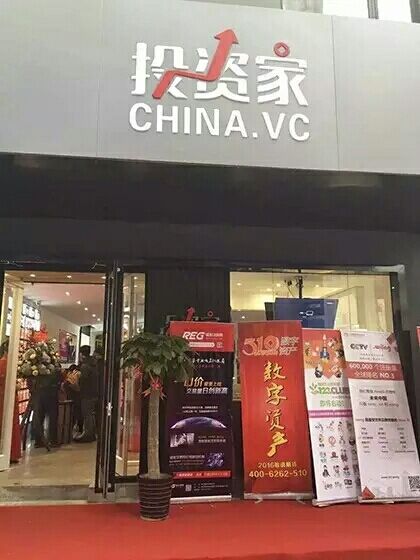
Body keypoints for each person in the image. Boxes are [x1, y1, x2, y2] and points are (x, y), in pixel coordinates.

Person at [0, 340, 21, 462]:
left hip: (7, 397)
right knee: (10, 425)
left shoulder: (6, 363)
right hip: (6, 398)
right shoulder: (6, 363)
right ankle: (11, 453)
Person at [74, 345, 98, 443]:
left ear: (81, 354)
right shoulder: (94, 364)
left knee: (87, 414)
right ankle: (91, 433)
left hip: (87, 393)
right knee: (91, 414)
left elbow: (83, 381)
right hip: (94, 393)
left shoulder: (85, 366)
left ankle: (88, 434)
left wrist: (77, 384)